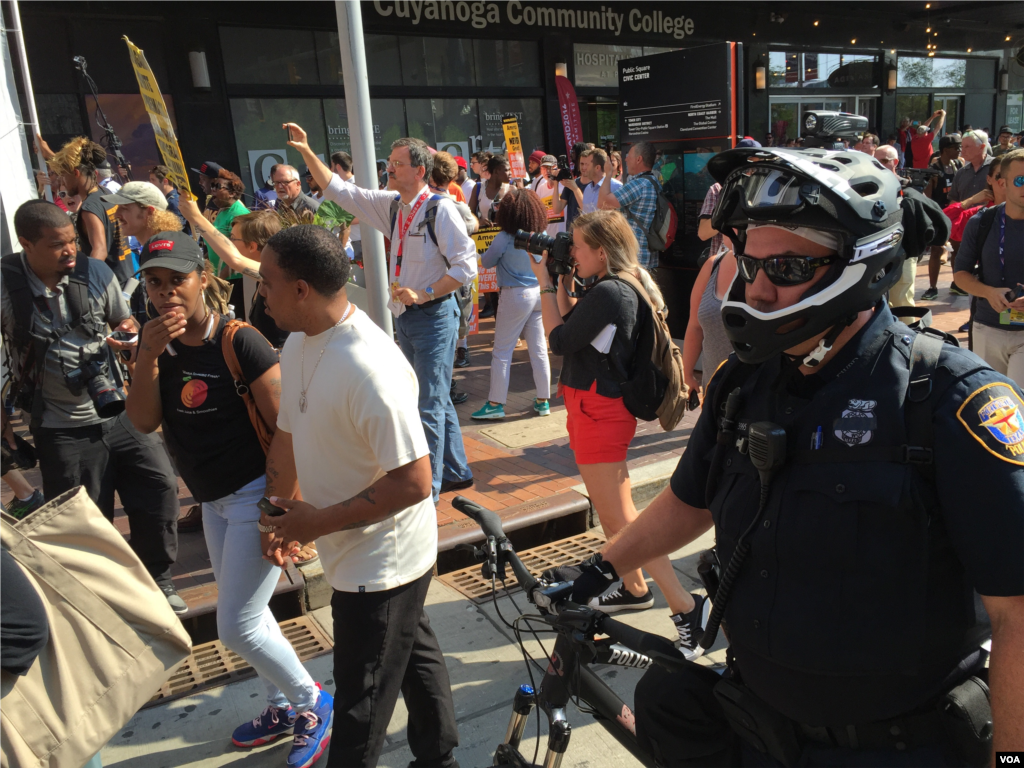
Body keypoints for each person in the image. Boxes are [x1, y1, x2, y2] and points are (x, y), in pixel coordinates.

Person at [564, 145, 1024, 765]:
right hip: (758, 725)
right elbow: (687, 500)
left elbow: (1016, 612)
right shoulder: (741, 384)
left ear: (860, 263)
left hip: (893, 745)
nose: (756, 290)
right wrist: (593, 572)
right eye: (748, 265)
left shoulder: (951, 399)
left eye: (783, 268)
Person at [255, 225, 460, 768]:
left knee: (357, 707)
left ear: (301, 289)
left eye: (266, 283)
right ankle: (439, 759)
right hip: (349, 550)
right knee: (414, 655)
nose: (260, 294)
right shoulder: (300, 343)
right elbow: (290, 435)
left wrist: (314, 524)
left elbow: (415, 481)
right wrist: (276, 514)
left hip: (382, 562)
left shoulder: (370, 366)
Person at [124, 230, 329, 761]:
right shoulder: (159, 348)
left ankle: (312, 700)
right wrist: (146, 354)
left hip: (254, 495)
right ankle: (283, 703)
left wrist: (276, 512)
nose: (167, 294)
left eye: (178, 281)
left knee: (235, 624)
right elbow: (143, 421)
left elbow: (289, 428)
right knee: (252, 616)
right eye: (155, 283)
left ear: (204, 280)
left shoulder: (239, 341)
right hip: (212, 502)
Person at [527, 209, 708, 656]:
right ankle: (633, 584)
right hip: (596, 408)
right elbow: (578, 326)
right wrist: (565, 283)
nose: (571, 252)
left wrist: (546, 284)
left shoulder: (611, 291)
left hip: (598, 413)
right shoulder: (622, 282)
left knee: (625, 521)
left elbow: (558, 339)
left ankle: (687, 610)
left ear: (601, 251)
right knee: (614, 516)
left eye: (578, 247)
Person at [6, 201, 183, 613]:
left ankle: (158, 579)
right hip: (57, 424)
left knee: (159, 487)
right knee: (82, 518)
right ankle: (103, 598)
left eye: (72, 240)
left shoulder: (95, 272)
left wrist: (126, 333)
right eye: (57, 245)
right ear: (26, 244)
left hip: (119, 408)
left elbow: (127, 323)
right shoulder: (5, 285)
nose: (70, 251)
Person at [287, 124, 476, 502]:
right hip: (405, 315)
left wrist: (423, 293)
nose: (389, 169)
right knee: (430, 394)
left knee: (427, 403)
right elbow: (342, 191)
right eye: (389, 163)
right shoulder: (394, 206)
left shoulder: (440, 210)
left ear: (420, 171)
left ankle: (430, 490)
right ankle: (456, 471)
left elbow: (466, 265)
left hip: (434, 315)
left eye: (397, 164)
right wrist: (307, 151)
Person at [471, 188, 551, 421]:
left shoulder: (505, 237)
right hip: (538, 292)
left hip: (513, 295)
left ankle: (495, 403)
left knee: (502, 352)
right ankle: (543, 400)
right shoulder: (541, 233)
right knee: (538, 350)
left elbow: (486, 262)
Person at [953, 149, 1024, 386]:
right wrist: (988, 292)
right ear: (1002, 183)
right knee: (992, 405)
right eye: (1021, 180)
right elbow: (961, 274)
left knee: (1018, 405)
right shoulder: (982, 222)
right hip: (987, 328)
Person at [47, 138, 134, 287]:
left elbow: (99, 251)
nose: (63, 182)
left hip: (108, 286)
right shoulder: (105, 193)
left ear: (75, 173)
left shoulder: (89, 208)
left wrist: (82, 285)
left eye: (64, 175)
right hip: (126, 279)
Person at [683, 242, 736, 400]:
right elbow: (695, 326)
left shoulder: (771, 268)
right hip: (712, 393)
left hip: (756, 399)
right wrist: (687, 374)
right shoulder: (714, 265)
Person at [599, 141, 662, 269]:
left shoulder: (639, 185)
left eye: (629, 156)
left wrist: (608, 174)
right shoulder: (653, 181)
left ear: (639, 159)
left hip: (634, 258)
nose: (626, 159)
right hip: (646, 256)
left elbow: (602, 203)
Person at [921, 135, 965, 300]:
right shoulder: (934, 169)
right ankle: (932, 287)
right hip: (939, 215)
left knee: (957, 250)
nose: (960, 150)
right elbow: (927, 196)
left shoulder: (959, 165)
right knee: (936, 250)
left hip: (955, 214)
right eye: (957, 147)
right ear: (946, 149)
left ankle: (957, 284)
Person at [468, 154, 511, 227]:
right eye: (507, 170)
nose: (510, 173)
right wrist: (479, 221)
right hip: (484, 236)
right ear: (496, 171)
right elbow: (469, 215)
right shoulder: (479, 188)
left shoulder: (511, 189)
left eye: (510, 170)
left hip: (506, 235)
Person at [581, 148, 620, 214]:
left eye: (587, 164)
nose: (584, 168)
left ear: (597, 168)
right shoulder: (588, 188)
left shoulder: (616, 187)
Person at [148, 165, 186, 230]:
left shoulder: (173, 202)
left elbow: (175, 230)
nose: (151, 184)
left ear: (165, 181)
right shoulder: (167, 200)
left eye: (153, 180)